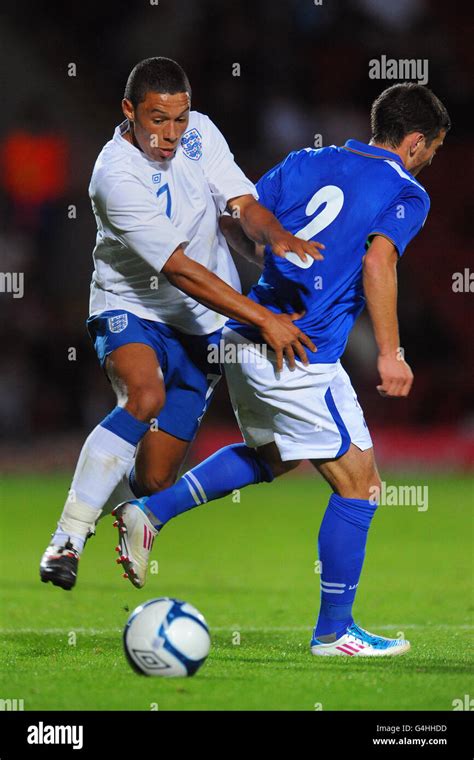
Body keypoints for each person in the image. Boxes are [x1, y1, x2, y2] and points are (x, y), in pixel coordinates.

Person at [112, 83, 450, 657]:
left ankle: (150, 511)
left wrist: (275, 267)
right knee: (362, 487)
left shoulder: (307, 161)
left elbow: (235, 220)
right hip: (301, 354)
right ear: (416, 142)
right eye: (434, 149)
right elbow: (378, 258)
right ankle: (335, 634)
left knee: (277, 457)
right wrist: (391, 352)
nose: (431, 160)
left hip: (247, 335)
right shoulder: (406, 191)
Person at [39, 57, 323, 591]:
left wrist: (275, 237)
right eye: (156, 120)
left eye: (179, 119)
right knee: (142, 398)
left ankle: (112, 506)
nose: (170, 135)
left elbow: (242, 204)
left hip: (204, 324)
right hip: (132, 307)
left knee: (153, 479)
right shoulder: (113, 177)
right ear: (129, 112)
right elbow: (180, 270)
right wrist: (266, 318)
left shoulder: (200, 133)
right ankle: (68, 537)